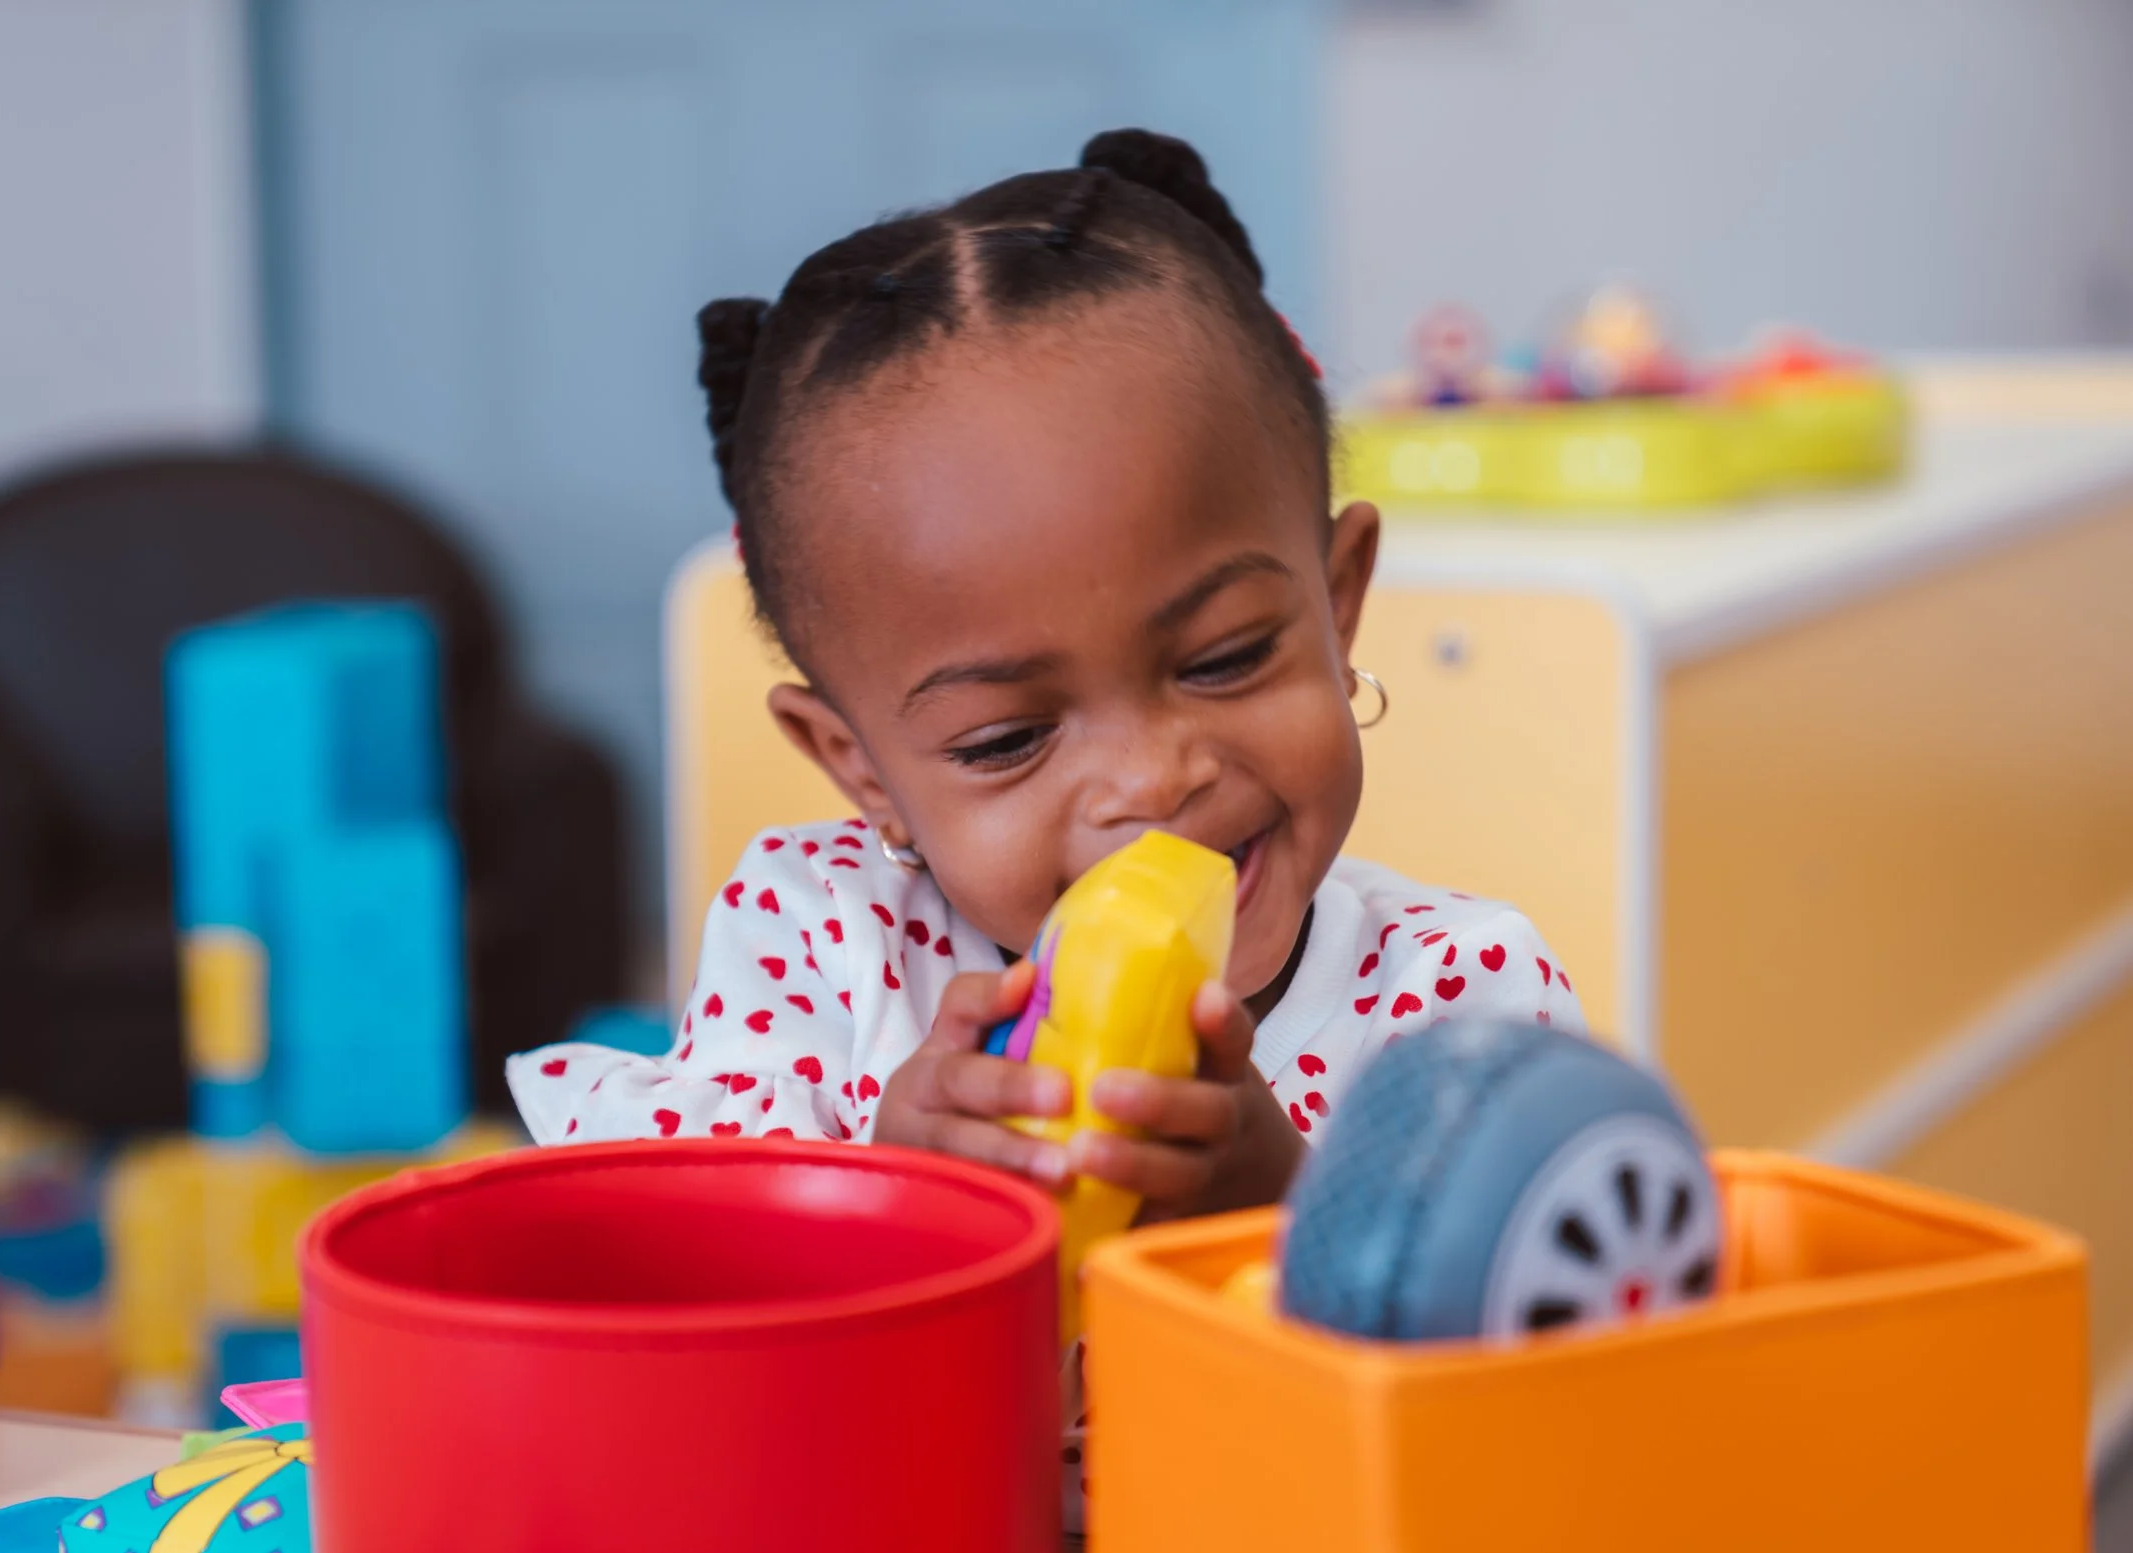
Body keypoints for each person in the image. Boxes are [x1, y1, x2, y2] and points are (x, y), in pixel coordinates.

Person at [510, 125, 1580, 1201]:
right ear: (862, 767)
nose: (1150, 780)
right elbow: (691, 1303)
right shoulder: (821, 945)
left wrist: (1280, 1216)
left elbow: (1541, 1353)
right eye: (1008, 738)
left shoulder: (1455, 1004)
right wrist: (890, 1203)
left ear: (1336, 600)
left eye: (1225, 658)